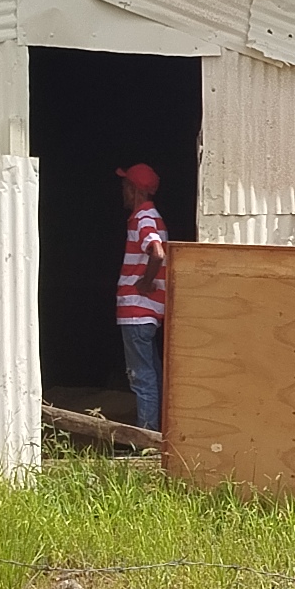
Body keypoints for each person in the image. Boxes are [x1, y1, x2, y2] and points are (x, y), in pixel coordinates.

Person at [115, 162, 172, 429]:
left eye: (126, 186)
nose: (123, 192)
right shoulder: (154, 216)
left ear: (135, 190)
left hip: (137, 312)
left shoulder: (143, 218)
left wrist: (146, 282)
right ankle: (156, 435)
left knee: (141, 377)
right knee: (153, 375)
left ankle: (146, 441)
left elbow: (157, 252)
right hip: (148, 313)